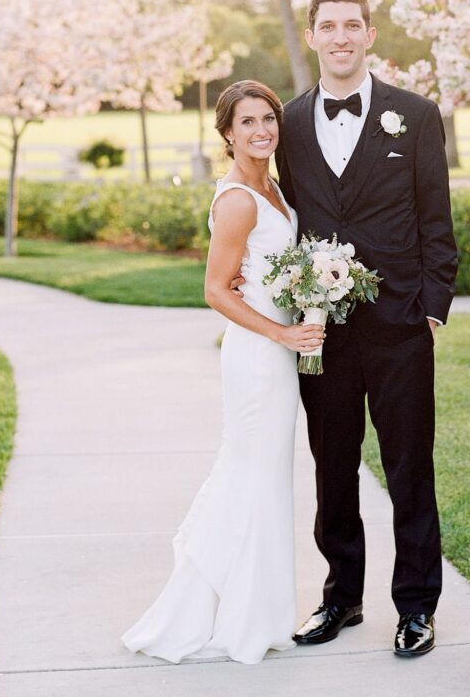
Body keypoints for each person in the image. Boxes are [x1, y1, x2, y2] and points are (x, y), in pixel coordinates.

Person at [276, 0, 457, 657]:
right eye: (329, 26)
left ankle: (416, 607)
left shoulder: (414, 114)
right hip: (321, 331)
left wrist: (432, 307)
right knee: (332, 467)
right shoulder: (288, 123)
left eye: (353, 25)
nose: (342, 36)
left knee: (410, 467)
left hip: (401, 327)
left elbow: (436, 219)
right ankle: (341, 598)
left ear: (371, 35)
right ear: (314, 36)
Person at [121, 80, 324, 665]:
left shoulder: (274, 188)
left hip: (276, 355)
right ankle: (234, 620)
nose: (261, 131)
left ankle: (256, 614)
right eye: (248, 123)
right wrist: (283, 332)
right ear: (227, 133)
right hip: (259, 358)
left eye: (269, 119)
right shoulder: (238, 199)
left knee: (262, 480)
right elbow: (214, 289)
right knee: (252, 478)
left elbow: (263, 268)